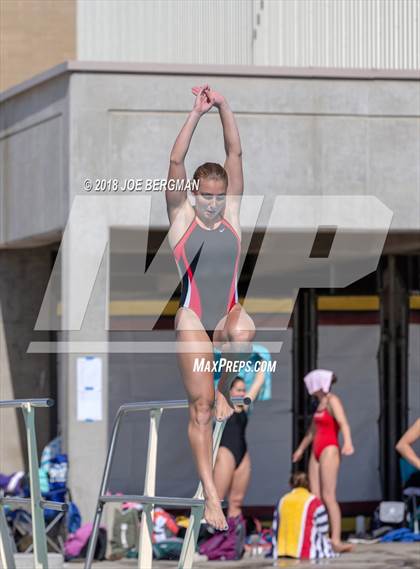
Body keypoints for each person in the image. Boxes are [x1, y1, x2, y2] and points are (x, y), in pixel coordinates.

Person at [166, 85, 255, 531]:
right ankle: (211, 495)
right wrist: (196, 113)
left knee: (245, 331)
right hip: (193, 318)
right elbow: (176, 162)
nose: (214, 202)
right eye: (207, 195)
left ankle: (224, 385)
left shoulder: (232, 216)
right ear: (195, 194)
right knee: (199, 409)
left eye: (220, 195)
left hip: (225, 317)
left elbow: (235, 152)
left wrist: (224, 104)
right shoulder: (181, 216)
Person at [292, 369, 354, 553]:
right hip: (316, 450)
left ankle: (336, 539)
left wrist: (348, 442)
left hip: (329, 449)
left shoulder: (332, 401)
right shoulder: (319, 404)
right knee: (316, 496)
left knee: (329, 496)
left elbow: (343, 423)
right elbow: (312, 431)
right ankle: (321, 536)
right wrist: (301, 449)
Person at [213, 370, 265, 521]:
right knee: (217, 500)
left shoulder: (244, 406)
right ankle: (209, 539)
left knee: (236, 502)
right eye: (239, 390)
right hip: (225, 452)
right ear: (229, 391)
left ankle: (232, 540)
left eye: (244, 390)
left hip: (242, 454)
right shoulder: (222, 406)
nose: (242, 393)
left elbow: (258, 383)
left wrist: (263, 362)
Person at [272, 471, 338, 560]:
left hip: (282, 551)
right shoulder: (315, 502)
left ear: (290, 484)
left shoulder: (282, 500)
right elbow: (324, 529)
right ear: (308, 484)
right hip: (307, 552)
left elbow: (275, 527)